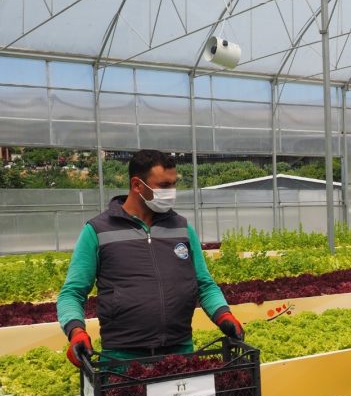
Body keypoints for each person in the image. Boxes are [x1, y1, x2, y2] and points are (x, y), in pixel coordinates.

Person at [57, 150, 244, 367]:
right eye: (164, 186)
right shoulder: (98, 231)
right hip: (122, 359)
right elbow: (72, 292)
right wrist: (76, 331)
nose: (171, 192)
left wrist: (224, 316)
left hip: (180, 353)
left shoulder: (181, 228)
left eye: (173, 184)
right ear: (137, 185)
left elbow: (204, 285)